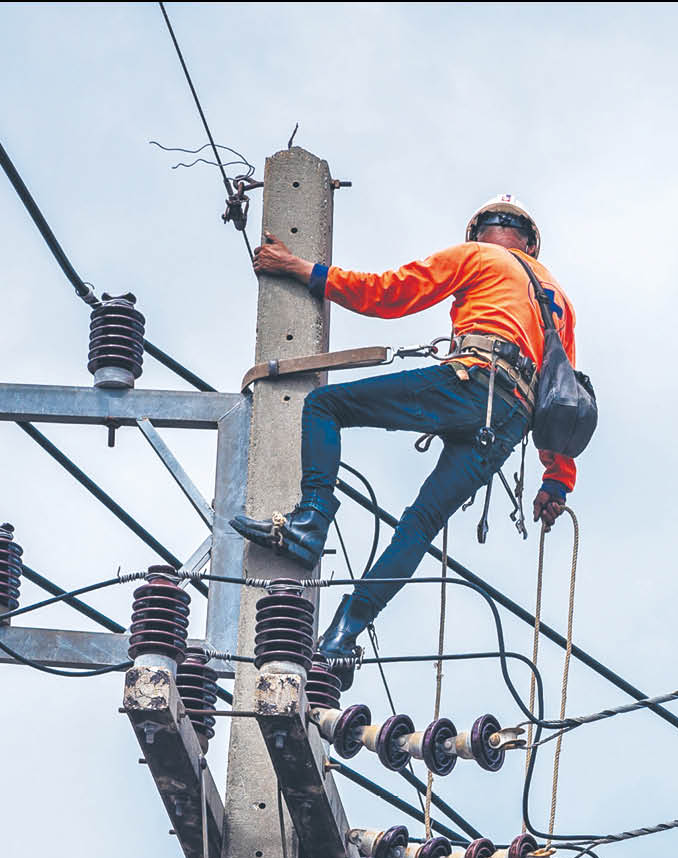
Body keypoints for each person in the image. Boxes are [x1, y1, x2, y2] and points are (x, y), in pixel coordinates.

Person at [232, 195, 579, 660]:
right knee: (419, 525)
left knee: (325, 406)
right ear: (531, 244)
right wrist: (556, 481)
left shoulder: (478, 257)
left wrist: (301, 269)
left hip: (474, 380)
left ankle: (310, 521)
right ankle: (343, 633)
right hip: (512, 419)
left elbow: (389, 292)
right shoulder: (559, 302)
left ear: (479, 232)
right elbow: (564, 398)